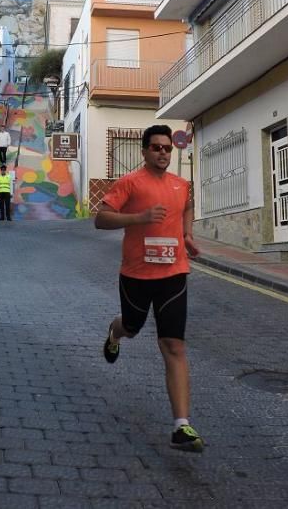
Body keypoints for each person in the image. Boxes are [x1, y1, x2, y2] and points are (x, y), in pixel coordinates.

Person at [94, 124, 204, 453]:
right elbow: (101, 219)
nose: (163, 153)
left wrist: (186, 235)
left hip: (173, 274)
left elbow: (186, 206)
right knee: (131, 326)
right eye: (156, 148)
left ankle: (181, 426)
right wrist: (139, 218)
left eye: (167, 148)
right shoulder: (129, 183)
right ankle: (114, 334)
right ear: (144, 151)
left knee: (173, 346)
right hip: (137, 275)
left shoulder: (181, 185)